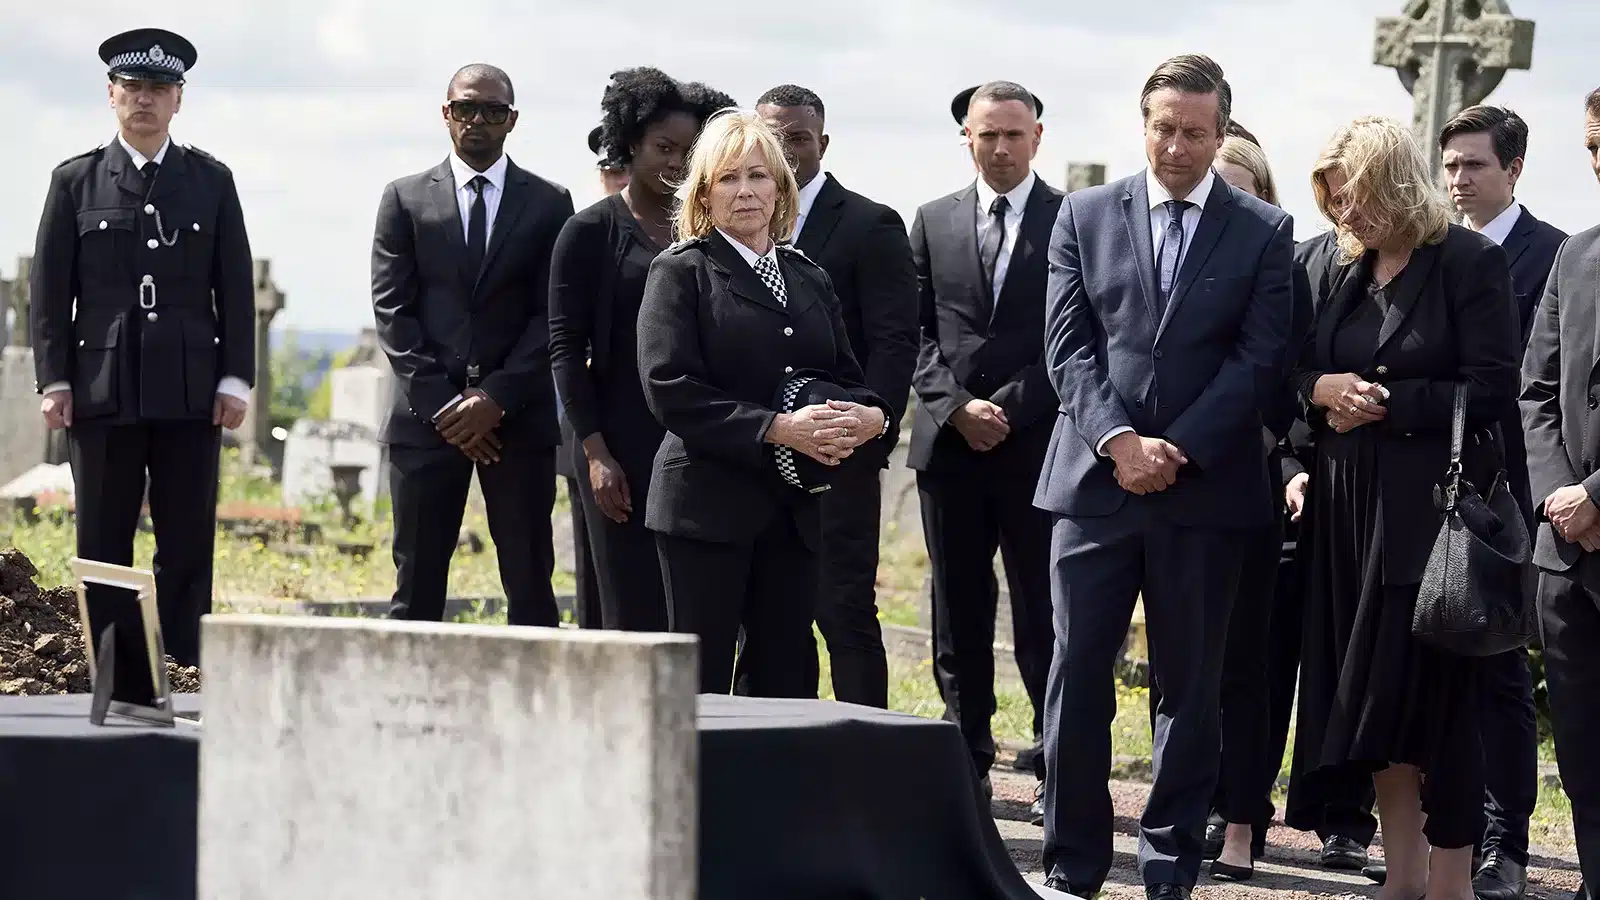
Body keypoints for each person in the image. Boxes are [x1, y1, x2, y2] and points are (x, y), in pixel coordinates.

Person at [1034, 55, 1293, 899]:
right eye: (1163, 128)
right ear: (1142, 124)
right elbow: (1067, 346)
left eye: (1194, 132)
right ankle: (1072, 863)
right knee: (1078, 674)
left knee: (1191, 685)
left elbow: (1259, 359)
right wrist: (1120, 442)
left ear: (1222, 135)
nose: (1176, 147)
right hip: (1094, 486)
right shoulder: (1083, 214)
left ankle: (1169, 866)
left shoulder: (1263, 230)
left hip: (1204, 491)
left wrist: (1172, 449)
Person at [1291, 116, 1519, 900]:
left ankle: (1451, 881)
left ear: (1392, 181)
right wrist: (1319, 390)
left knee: (1437, 707)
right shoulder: (1340, 269)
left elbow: (1493, 388)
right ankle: (1403, 876)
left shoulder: (1468, 261)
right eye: (1332, 200)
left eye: (1353, 195)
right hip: (1347, 520)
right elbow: (1298, 372)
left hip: (1429, 522)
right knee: (1371, 706)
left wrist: (1390, 404)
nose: (1343, 213)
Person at [636, 110, 895, 697]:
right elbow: (669, 386)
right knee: (699, 686)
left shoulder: (808, 277)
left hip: (794, 514)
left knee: (783, 681)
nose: (746, 191)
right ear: (704, 192)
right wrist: (777, 428)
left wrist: (872, 417)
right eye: (728, 178)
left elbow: (848, 376)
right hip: (704, 509)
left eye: (758, 176)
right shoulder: (681, 272)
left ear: (780, 187)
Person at [30, 28, 254, 668]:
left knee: (187, 540)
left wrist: (235, 378)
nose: (145, 99)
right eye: (133, 87)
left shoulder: (210, 181)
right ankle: (115, 669)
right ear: (111, 94)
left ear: (178, 99)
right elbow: (50, 292)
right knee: (103, 540)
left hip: (189, 390)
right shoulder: (75, 181)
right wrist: (54, 380)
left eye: (159, 88)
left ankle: (184, 669)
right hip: (103, 390)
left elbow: (235, 287)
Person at [371, 64, 574, 627]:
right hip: (425, 420)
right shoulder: (405, 198)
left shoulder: (549, 202)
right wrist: (446, 408)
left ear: (512, 119)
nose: (477, 120)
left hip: (518, 421)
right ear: (446, 113)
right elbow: (393, 311)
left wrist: (495, 399)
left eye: (492, 110)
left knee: (530, 582)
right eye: (465, 108)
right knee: (416, 584)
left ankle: (534, 686)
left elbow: (552, 314)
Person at [909, 81, 1061, 800]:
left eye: (1013, 134)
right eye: (987, 134)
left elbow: (1079, 333)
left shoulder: (1072, 219)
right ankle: (965, 755)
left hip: (1035, 449)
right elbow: (910, 331)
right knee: (957, 605)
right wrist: (956, 406)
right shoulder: (932, 219)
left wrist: (1007, 408)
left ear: (1037, 137)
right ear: (966, 137)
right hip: (950, 449)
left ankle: (1054, 756)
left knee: (1043, 608)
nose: (1000, 148)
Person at [550, 68, 734, 632]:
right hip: (618, 447)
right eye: (663, 147)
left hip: (700, 444)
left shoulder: (715, 233)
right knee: (626, 611)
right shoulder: (589, 231)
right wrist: (595, 455)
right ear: (631, 144)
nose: (676, 162)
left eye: (689, 150)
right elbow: (565, 349)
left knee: (699, 613)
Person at [754, 84, 919, 707]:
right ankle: (776, 746)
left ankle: (865, 751)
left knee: (843, 609)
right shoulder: (735, 224)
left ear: (822, 143)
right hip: (756, 454)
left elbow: (895, 341)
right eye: (771, 138)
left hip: (838, 454)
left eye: (797, 138)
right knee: (769, 616)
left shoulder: (870, 224)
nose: (783, 151)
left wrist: (869, 425)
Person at [1439, 103, 1567, 900]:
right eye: (1450, 164)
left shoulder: (1553, 256)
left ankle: (1504, 844)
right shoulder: (1429, 249)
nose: (1458, 178)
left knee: (1499, 673)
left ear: (1513, 169)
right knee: (1431, 667)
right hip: (1430, 490)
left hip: (1512, 499)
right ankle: (1440, 842)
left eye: (1475, 164)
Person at [1520, 85, 1600, 900]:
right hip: (1569, 552)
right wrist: (1561, 497)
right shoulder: (1574, 255)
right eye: (1593, 148)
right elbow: (1534, 390)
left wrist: (1599, 494)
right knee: (1581, 746)